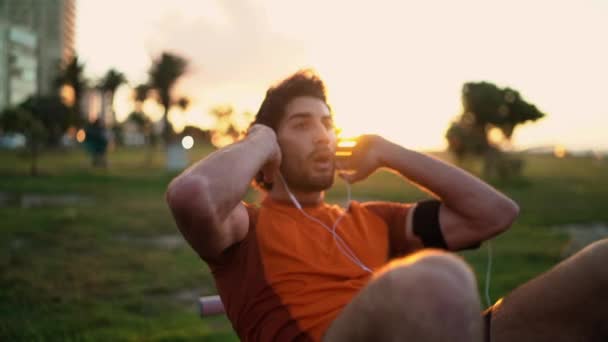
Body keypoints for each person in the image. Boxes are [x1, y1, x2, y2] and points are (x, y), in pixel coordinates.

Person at [166, 70, 608, 342]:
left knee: (602, 263)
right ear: (269, 149)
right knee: (439, 279)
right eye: (301, 125)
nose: (323, 135)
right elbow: (193, 196)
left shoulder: (374, 219)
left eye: (327, 123)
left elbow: (495, 214)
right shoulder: (245, 227)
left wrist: (391, 153)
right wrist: (260, 138)